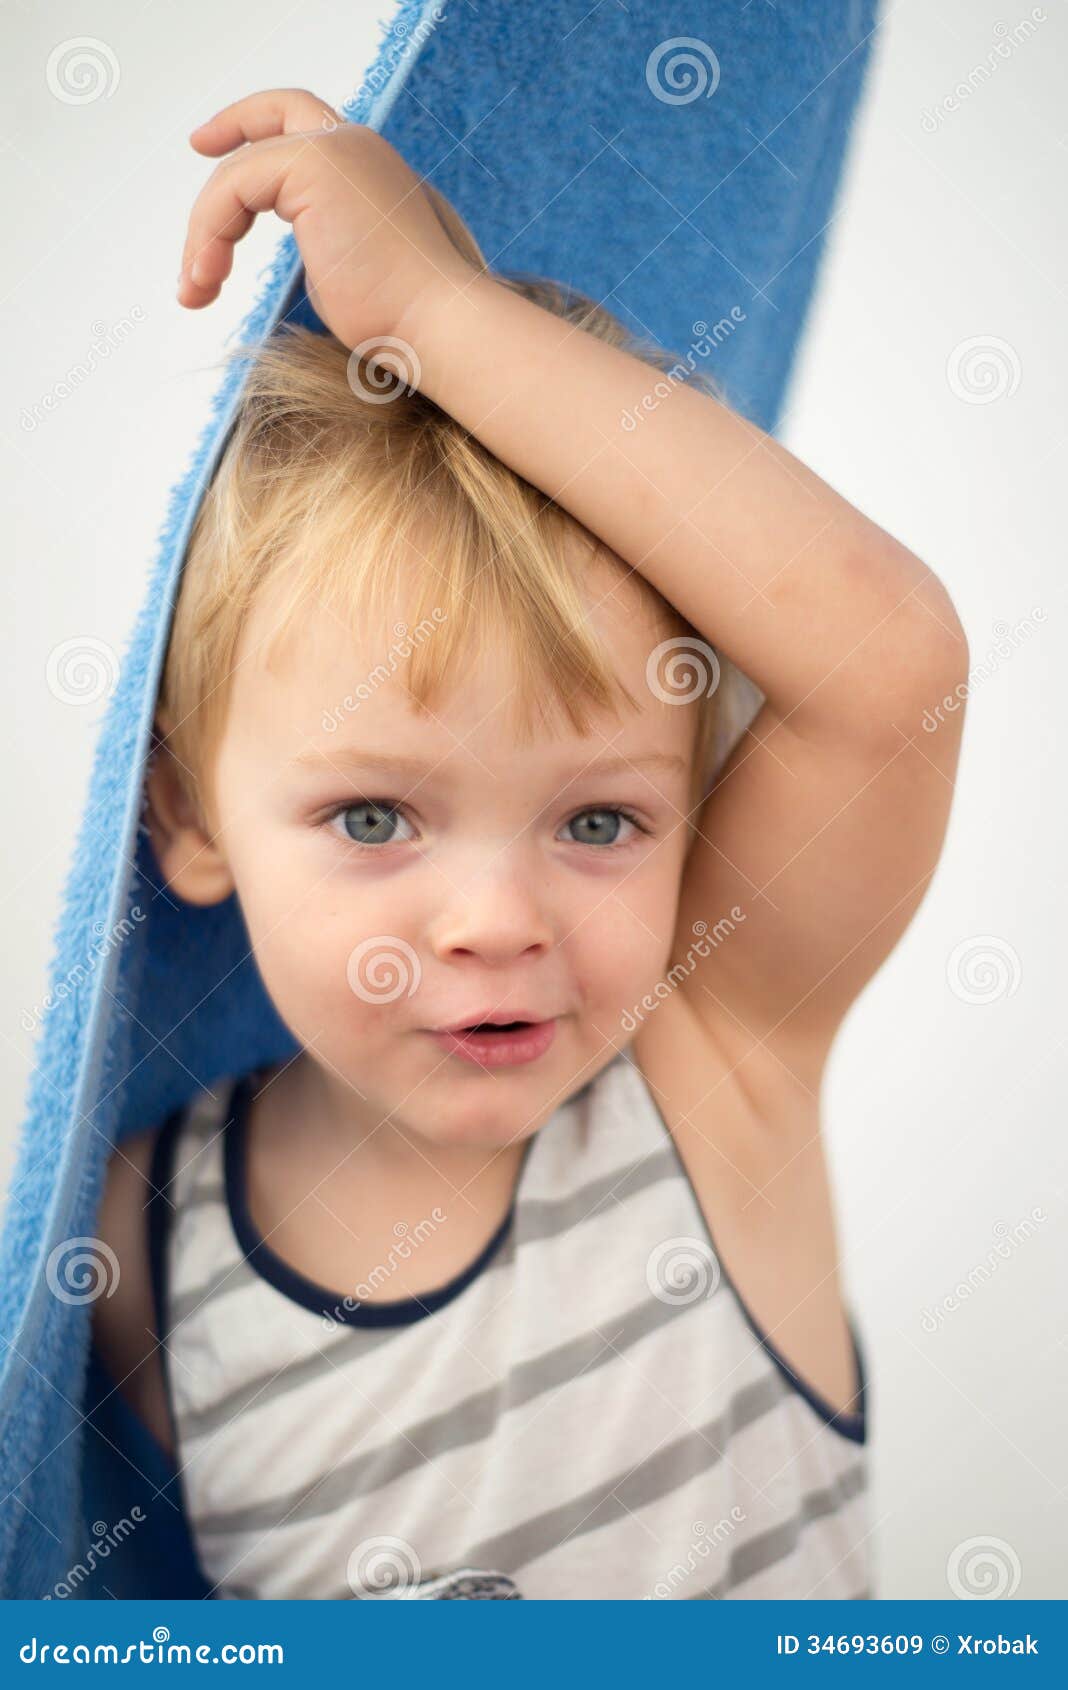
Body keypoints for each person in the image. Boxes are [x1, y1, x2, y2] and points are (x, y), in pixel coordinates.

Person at [92, 88, 968, 1600]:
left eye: (600, 818)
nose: (496, 919)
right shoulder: (137, 1234)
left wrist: (436, 315)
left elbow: (889, 668)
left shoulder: (711, 1064)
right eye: (374, 816)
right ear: (186, 816)